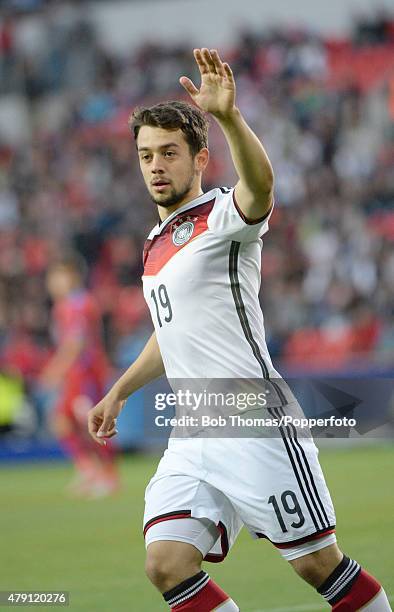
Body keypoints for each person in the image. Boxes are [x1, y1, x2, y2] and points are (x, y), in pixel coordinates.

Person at [88, 49, 391, 611]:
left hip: (251, 418)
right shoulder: (154, 245)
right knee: (166, 563)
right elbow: (170, 334)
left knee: (317, 565)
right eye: (145, 155)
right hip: (192, 429)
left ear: (200, 158)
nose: (156, 165)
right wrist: (119, 390)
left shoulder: (224, 216)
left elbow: (261, 188)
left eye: (169, 154)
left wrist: (228, 118)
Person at [41, 254, 119, 498]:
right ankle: (90, 470)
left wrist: (55, 370)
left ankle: (107, 475)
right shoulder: (64, 306)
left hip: (86, 373)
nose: (53, 283)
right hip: (75, 374)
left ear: (72, 276)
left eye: (58, 276)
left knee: (89, 423)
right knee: (62, 422)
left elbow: (76, 343)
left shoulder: (79, 304)